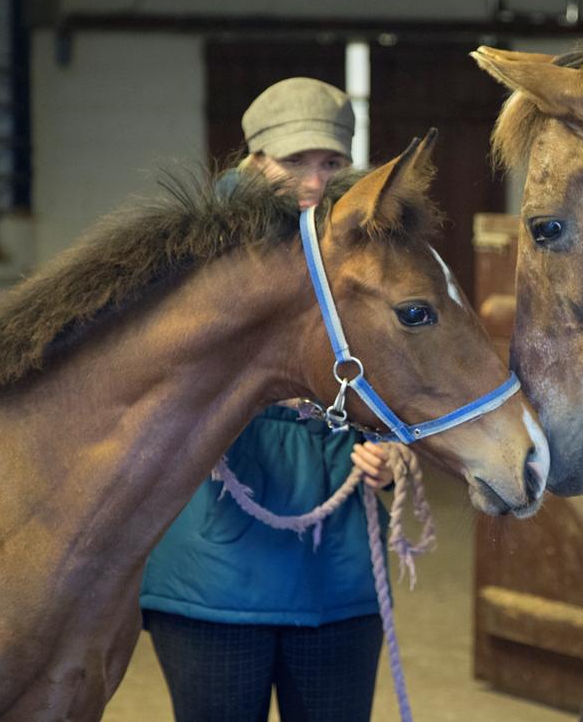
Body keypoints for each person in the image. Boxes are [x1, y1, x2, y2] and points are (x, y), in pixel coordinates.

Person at [141, 77, 413, 722]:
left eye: (331, 163)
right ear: (254, 159)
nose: (315, 183)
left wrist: (387, 451)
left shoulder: (362, 255)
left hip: (339, 575)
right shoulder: (189, 260)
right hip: (215, 569)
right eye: (295, 162)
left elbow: (390, 379)